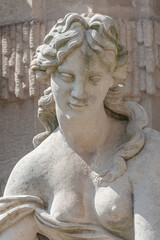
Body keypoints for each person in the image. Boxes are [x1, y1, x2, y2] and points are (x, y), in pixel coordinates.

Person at [0, 13, 160, 240]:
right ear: (50, 75)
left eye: (93, 79)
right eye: (67, 76)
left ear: (111, 79)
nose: (79, 92)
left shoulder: (145, 150)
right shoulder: (32, 170)